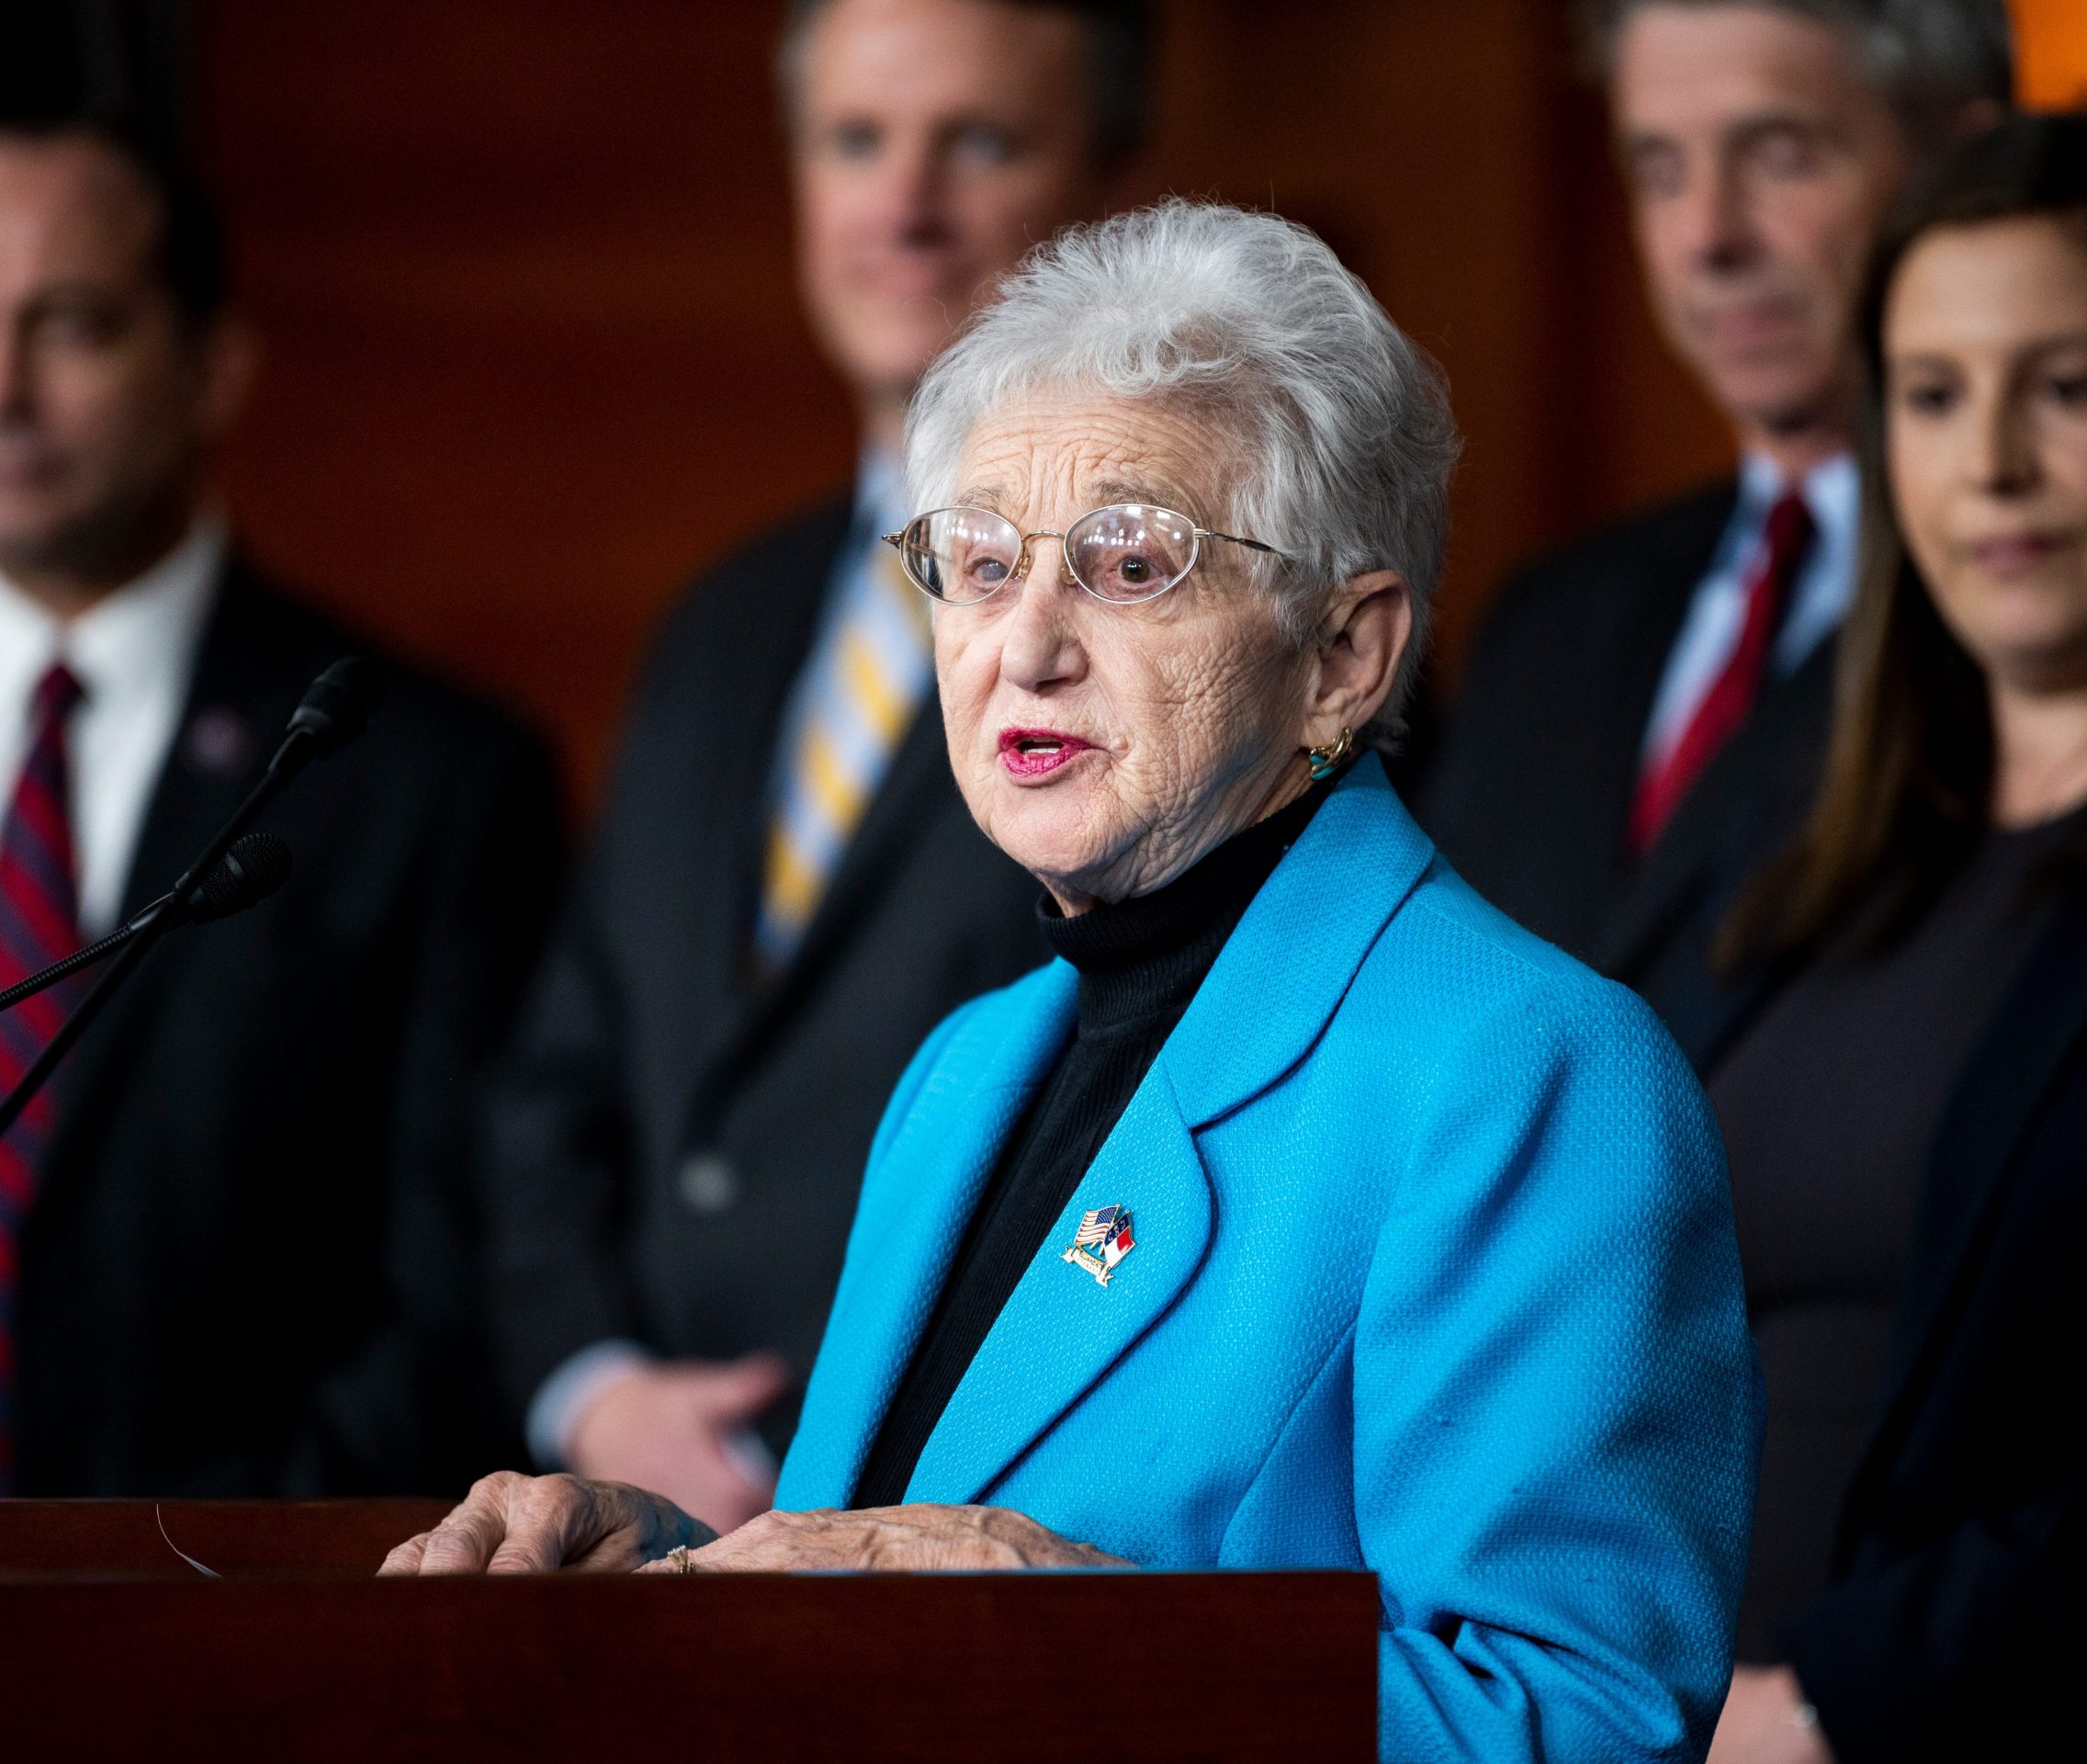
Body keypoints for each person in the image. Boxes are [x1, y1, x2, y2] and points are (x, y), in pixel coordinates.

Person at [389, 200, 1765, 1764]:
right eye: (977, 564)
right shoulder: (966, 1069)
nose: (1022, 646)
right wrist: (681, 1575)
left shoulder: (1529, 1072)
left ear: (1344, 656)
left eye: (1127, 564)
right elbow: (892, 1592)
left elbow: (1579, 1724)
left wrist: (1069, 1631)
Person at [0, 119, 560, 1498]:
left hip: (228, 1644)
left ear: (211, 367)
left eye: (67, 326)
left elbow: (457, 1300)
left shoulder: (423, 777)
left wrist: (188, 1597)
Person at [477, 0, 1152, 1532]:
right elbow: (559, 1088)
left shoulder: (1189, 617)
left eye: (977, 142)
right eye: (856, 141)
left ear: (1112, 192)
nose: (902, 207)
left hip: (980, 1544)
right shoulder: (724, 621)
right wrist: (595, 1387)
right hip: (634, 1543)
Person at [1695, 115, 2087, 1764]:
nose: (1989, 460)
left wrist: (1845, 1703)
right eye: (1931, 395)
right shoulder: (1826, 845)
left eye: (2066, 387)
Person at [1413, 0, 2007, 1056]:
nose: (1706, 237)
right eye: (1659, 170)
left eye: (1778, 156)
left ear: (1961, 166)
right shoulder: (1543, 621)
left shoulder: (2027, 622)